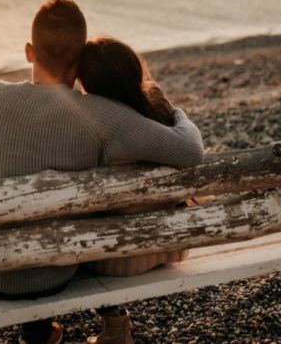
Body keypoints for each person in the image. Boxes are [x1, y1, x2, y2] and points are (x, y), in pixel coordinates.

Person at [0, 0, 204, 344]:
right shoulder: (99, 116)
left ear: (29, 52)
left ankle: (40, 333)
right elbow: (190, 149)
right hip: (51, 275)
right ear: (81, 61)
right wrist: (178, 112)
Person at [77, 36, 201, 344]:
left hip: (116, 261)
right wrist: (177, 113)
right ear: (134, 72)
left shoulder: (94, 124)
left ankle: (115, 328)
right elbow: (193, 147)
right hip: (170, 246)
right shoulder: (156, 114)